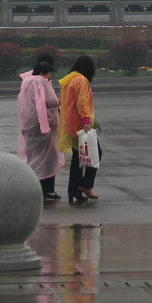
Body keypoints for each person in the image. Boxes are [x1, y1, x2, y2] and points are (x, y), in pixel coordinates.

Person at [18, 48, 61, 202]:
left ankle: (41, 189)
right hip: (41, 128)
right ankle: (42, 189)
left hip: (30, 126)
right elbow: (47, 102)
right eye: (49, 73)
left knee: (37, 157)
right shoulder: (39, 82)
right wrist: (60, 100)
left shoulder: (28, 80)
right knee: (45, 159)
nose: (51, 77)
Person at [60, 54, 98, 205]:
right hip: (80, 125)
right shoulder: (81, 80)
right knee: (95, 153)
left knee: (77, 159)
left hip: (70, 124)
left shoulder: (69, 79)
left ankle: (73, 189)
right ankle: (85, 185)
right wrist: (87, 120)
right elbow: (82, 103)